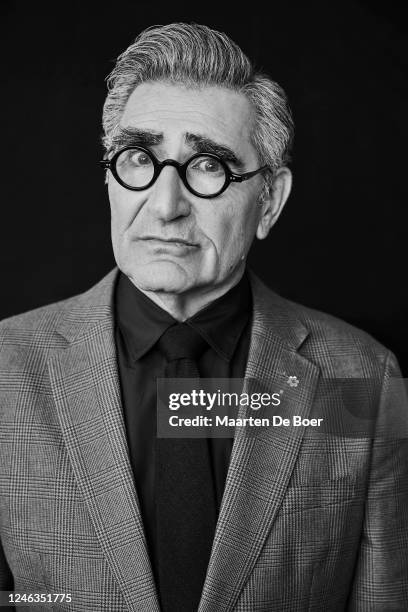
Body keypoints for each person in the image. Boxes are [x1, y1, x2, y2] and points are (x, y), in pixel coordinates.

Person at [0, 22, 407, 612]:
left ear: (269, 201)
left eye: (209, 166)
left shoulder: (369, 376)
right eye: (139, 157)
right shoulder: (5, 368)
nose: (165, 206)